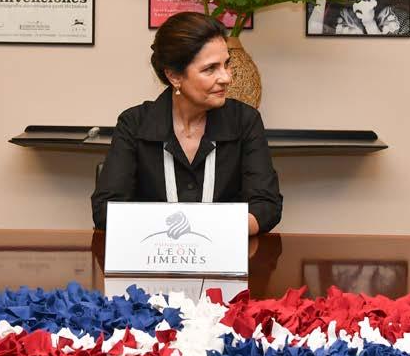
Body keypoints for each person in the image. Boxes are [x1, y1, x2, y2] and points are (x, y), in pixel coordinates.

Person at [91, 12, 283, 235]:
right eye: (210, 69)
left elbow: (266, 206)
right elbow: (106, 210)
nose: (226, 78)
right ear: (174, 76)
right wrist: (183, 231)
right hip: (153, 253)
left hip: (224, 252)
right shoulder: (134, 124)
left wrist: (203, 231)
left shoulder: (245, 120)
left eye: (226, 64)